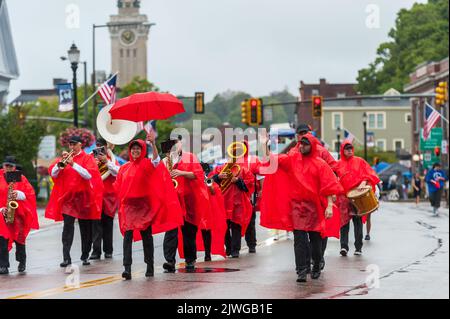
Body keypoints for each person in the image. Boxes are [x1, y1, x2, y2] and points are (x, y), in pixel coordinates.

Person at [259, 133, 343, 282]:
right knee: (299, 239)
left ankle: (316, 264)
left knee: (316, 240)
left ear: (312, 146)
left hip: (315, 207)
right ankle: (301, 271)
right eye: (301, 144)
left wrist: (329, 205)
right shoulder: (292, 160)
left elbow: (329, 186)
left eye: (305, 144)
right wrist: (264, 144)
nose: (302, 146)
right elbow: (271, 159)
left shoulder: (320, 164)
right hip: (297, 207)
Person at [114, 133, 183, 280]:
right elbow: (118, 186)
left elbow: (157, 161)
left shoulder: (147, 163)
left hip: (144, 206)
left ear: (143, 150)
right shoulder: (124, 168)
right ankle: (127, 268)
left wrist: (153, 143)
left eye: (138, 149)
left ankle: (149, 265)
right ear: (130, 151)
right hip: (129, 208)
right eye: (133, 149)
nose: (135, 151)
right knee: (128, 237)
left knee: (147, 237)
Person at [46, 136, 104, 267]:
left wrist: (73, 164)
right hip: (69, 199)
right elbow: (53, 174)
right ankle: (66, 257)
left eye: (73, 144)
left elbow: (89, 175)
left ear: (80, 144)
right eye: (70, 145)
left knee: (86, 229)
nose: (71, 147)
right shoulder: (64, 158)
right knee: (67, 227)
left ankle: (85, 255)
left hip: (83, 198)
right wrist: (60, 165)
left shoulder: (87, 158)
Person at [161, 136, 210, 271]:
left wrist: (181, 173)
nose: (175, 146)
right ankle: (170, 261)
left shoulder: (190, 157)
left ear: (181, 144)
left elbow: (198, 175)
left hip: (189, 200)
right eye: (172, 144)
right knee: (171, 231)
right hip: (173, 200)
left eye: (177, 143)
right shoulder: (166, 160)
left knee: (189, 232)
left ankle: (190, 260)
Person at [335, 141, 380, 256]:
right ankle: (344, 247)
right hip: (344, 197)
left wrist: (364, 182)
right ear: (342, 150)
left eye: (351, 148)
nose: (349, 150)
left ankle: (358, 247)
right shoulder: (338, 164)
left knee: (357, 222)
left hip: (358, 197)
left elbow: (370, 173)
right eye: (347, 148)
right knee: (344, 223)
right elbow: (331, 177)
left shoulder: (359, 161)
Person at [211, 141, 254, 259]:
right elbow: (211, 182)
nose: (234, 155)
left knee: (236, 226)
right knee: (224, 226)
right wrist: (218, 177)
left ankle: (235, 250)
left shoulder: (243, 170)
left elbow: (249, 184)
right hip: (223, 202)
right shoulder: (220, 168)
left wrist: (238, 181)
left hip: (238, 203)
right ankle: (229, 247)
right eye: (233, 153)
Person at [0, 156, 39, 275]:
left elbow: (29, 194)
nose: (8, 168)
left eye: (11, 166)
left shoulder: (21, 178)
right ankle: (3, 265)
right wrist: (1, 209)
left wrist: (18, 194)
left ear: (15, 167)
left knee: (20, 239)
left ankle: (22, 261)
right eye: (6, 166)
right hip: (2, 213)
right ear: (3, 166)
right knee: (2, 239)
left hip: (19, 213)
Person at [89, 138, 120, 260]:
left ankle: (108, 250)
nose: (98, 148)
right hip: (96, 195)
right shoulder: (91, 159)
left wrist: (106, 161)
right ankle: (96, 251)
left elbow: (118, 172)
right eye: (97, 146)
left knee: (108, 223)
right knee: (96, 224)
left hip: (109, 196)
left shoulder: (111, 159)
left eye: (101, 146)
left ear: (106, 147)